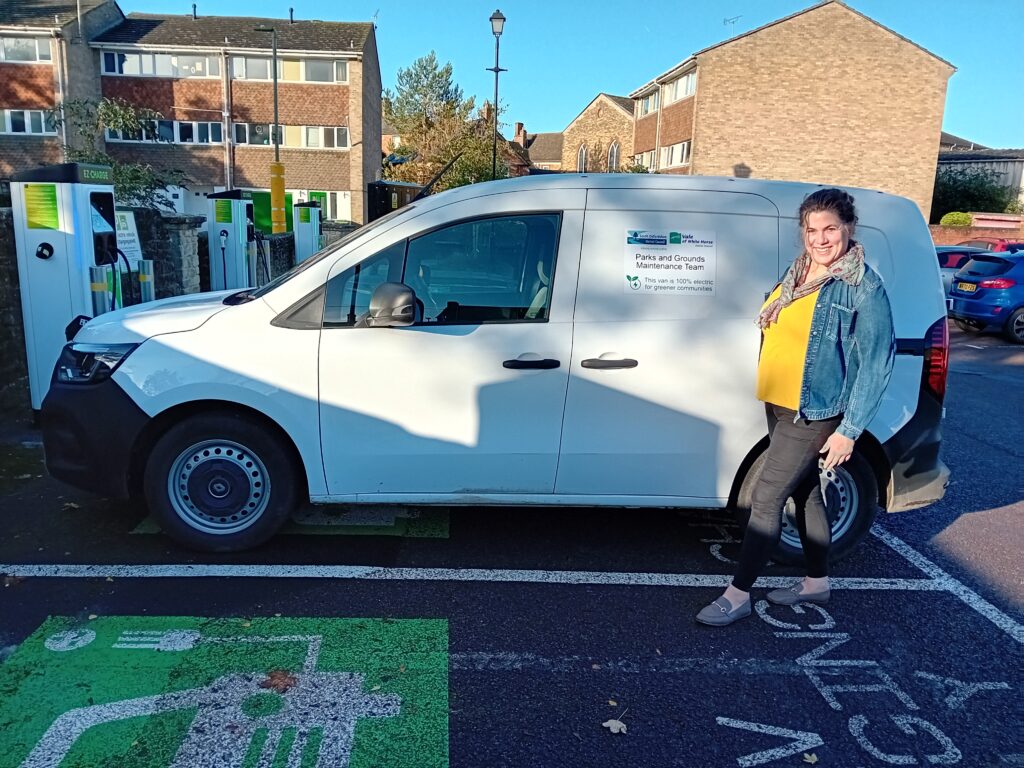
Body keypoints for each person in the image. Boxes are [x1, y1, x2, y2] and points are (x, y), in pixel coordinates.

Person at [696, 188, 895, 627]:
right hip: (780, 402)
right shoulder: (799, 271)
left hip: (814, 412)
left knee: (765, 498)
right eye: (811, 230)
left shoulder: (862, 287)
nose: (820, 239)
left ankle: (737, 595)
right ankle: (816, 583)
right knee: (806, 494)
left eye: (830, 229)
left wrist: (849, 431)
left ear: (849, 228)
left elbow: (876, 363)